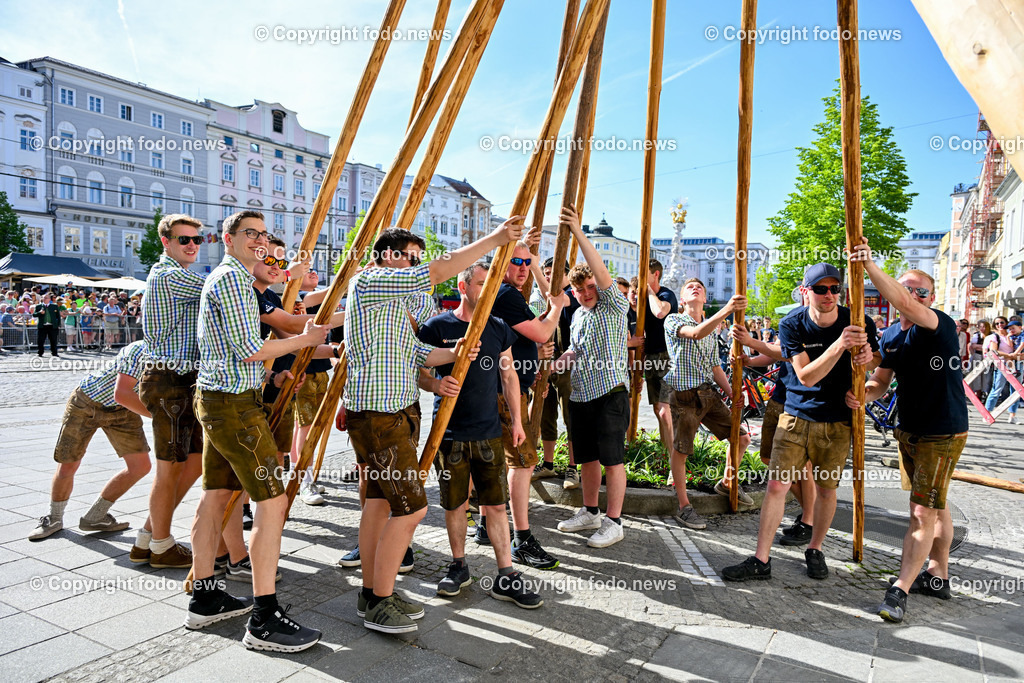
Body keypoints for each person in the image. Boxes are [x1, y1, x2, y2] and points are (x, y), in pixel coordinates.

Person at [342, 218, 520, 635]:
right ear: (384, 258)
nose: (417, 265)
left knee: (380, 504)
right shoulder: (369, 284)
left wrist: (454, 351)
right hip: (378, 416)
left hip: (396, 413)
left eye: (417, 259)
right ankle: (380, 603)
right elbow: (440, 271)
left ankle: (372, 590)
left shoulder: (403, 302)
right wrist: (497, 238)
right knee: (414, 506)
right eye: (409, 258)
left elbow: (420, 352)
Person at [187, 210, 329, 651]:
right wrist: (305, 341)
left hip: (221, 399)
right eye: (250, 233)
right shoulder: (231, 280)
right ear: (227, 239)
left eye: (263, 235)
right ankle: (265, 619)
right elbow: (251, 349)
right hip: (232, 406)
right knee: (272, 502)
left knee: (215, 497)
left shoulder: (237, 280)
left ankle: (205, 598)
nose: (259, 241)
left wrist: (276, 374)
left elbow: (236, 348)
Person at [722, 263, 879, 583]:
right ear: (806, 292)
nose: (829, 295)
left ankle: (815, 548)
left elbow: (876, 360)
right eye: (820, 289)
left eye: (835, 289)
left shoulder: (859, 319)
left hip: (837, 421)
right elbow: (806, 376)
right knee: (777, 485)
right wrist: (840, 345)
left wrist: (866, 359)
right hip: (795, 415)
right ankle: (761, 559)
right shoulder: (793, 322)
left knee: (826, 489)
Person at [846, 240, 970, 623]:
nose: (914, 295)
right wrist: (863, 395)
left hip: (942, 432)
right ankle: (939, 575)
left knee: (921, 512)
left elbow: (902, 303)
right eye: (909, 287)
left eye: (921, 291)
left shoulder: (938, 325)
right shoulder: (892, 337)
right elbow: (882, 381)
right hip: (909, 431)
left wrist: (868, 265)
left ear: (930, 298)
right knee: (937, 505)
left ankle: (899, 589)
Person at [420, 261, 543, 608]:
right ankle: (459, 565)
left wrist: (517, 421)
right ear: (462, 287)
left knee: (495, 505)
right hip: (449, 433)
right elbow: (419, 372)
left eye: (491, 284)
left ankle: (506, 574)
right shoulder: (436, 327)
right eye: (479, 283)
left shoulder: (498, 327)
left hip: (489, 431)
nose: (487, 290)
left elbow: (509, 377)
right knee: (455, 503)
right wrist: (434, 383)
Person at [483, 234, 566, 568]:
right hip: (506, 393)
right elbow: (543, 332)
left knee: (507, 461)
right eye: (515, 262)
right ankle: (521, 539)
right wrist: (556, 308)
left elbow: (526, 340)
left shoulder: (507, 293)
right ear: (502, 266)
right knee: (523, 462)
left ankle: (486, 525)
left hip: (513, 388)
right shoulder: (505, 295)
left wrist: (532, 369)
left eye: (526, 263)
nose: (521, 268)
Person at [551, 205, 630, 548]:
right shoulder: (579, 316)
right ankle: (591, 512)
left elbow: (599, 268)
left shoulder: (614, 305)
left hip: (610, 392)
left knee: (612, 460)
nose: (584, 294)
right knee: (586, 457)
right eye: (579, 290)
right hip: (581, 394)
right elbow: (575, 350)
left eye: (589, 288)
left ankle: (615, 522)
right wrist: (561, 360)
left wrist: (578, 233)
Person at [136, 213, 208, 569]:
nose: (193, 245)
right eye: (185, 240)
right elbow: (221, 293)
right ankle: (161, 546)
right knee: (169, 469)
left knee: (192, 463)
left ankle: (147, 536)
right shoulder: (169, 275)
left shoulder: (182, 274)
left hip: (181, 381)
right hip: (169, 380)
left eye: (197, 239)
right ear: (166, 242)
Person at [29, 342, 151, 540]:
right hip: (86, 402)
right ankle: (54, 518)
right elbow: (121, 393)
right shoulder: (139, 349)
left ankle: (95, 516)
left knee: (140, 466)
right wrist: (161, 418)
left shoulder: (177, 354)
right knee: (68, 465)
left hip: (122, 410)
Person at [660, 278, 750, 530]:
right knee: (682, 450)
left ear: (705, 297)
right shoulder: (674, 320)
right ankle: (684, 506)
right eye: (690, 287)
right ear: (683, 298)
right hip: (684, 395)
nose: (695, 288)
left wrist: (732, 393)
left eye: (700, 286)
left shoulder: (711, 327)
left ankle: (727, 482)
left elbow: (714, 365)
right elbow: (695, 333)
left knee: (741, 438)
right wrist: (727, 310)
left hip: (707, 393)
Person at [532, 258, 581, 492]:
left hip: (568, 363)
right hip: (547, 360)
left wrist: (534, 266)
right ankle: (548, 463)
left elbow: (552, 297)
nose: (550, 277)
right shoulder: (552, 297)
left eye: (554, 273)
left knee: (570, 415)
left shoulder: (572, 293)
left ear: (567, 275)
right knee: (545, 413)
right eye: (546, 273)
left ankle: (573, 467)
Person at [635, 259, 679, 466]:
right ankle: (665, 452)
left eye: (646, 276)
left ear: (656, 275)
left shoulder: (665, 294)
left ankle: (673, 459)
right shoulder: (644, 298)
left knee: (664, 409)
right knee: (657, 410)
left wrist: (649, 291)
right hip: (652, 357)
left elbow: (660, 311)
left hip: (666, 356)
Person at [984, 315, 1020, 423]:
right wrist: (1010, 355)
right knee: (996, 389)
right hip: (1002, 365)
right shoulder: (995, 337)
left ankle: (1012, 416)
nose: (1000, 325)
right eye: (997, 323)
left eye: (1002, 323)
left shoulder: (1013, 335)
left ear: (1006, 323)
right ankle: (987, 414)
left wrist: (1014, 356)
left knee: (1016, 391)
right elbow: (994, 351)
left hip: (1016, 364)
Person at [968, 320, 992, 399]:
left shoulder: (992, 335)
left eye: (984, 326)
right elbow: (973, 346)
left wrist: (980, 346)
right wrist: (985, 347)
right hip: (977, 356)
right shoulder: (977, 335)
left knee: (986, 376)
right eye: (980, 326)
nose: (982, 328)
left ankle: (984, 392)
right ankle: (978, 393)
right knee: (977, 376)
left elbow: (992, 348)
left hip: (988, 357)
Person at [34, 293, 61, 357]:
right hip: (42, 326)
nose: (45, 299)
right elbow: (34, 314)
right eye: (44, 297)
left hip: (52, 326)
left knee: (53, 340)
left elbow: (58, 316)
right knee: (40, 340)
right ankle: (40, 352)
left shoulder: (54, 306)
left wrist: (58, 324)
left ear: (49, 299)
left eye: (46, 298)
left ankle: (54, 352)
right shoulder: (39, 306)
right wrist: (39, 313)